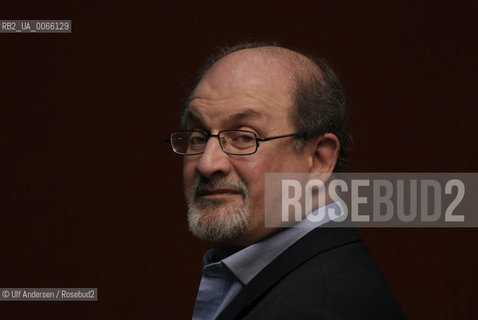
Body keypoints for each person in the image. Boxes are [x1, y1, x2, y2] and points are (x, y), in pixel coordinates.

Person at [167, 43, 405, 319]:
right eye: (198, 137)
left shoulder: (319, 309)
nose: (207, 164)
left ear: (319, 160)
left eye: (245, 138)